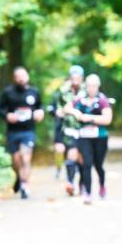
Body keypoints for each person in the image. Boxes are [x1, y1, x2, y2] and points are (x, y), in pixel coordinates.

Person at [64, 73, 112, 204]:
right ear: (86, 86)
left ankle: (102, 185)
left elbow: (108, 119)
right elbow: (66, 108)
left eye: (94, 86)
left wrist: (90, 118)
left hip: (100, 137)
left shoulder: (102, 100)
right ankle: (88, 193)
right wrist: (76, 113)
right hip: (84, 137)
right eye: (89, 86)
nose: (91, 88)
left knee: (98, 165)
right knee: (86, 164)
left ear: (98, 86)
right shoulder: (80, 99)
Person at [0, 66, 44, 199]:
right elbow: (0, 110)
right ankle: (19, 176)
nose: (21, 79)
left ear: (28, 76)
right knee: (16, 160)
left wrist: (40, 112)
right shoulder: (8, 93)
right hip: (13, 132)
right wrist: (7, 115)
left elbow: (40, 106)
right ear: (14, 78)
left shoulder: (34, 92)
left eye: (23, 76)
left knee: (26, 157)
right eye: (18, 77)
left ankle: (25, 185)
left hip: (28, 131)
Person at [51, 65, 85, 196]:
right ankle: (70, 183)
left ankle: (82, 182)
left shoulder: (87, 89)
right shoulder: (63, 91)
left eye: (78, 77)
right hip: (67, 128)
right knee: (71, 153)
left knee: (82, 158)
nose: (76, 79)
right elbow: (56, 107)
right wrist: (58, 112)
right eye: (73, 76)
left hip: (85, 128)